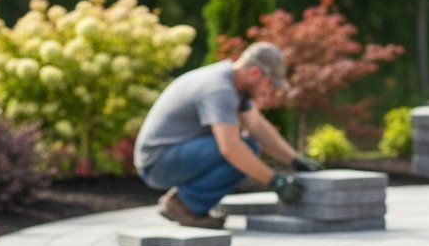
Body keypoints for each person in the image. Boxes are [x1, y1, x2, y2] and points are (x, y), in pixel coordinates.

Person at [134, 41, 321, 228]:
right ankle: (184, 204)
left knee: (249, 146)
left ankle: (185, 201)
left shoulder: (233, 83)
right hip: (157, 163)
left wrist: (294, 160)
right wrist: (274, 181)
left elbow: (257, 127)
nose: (269, 91)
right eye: (270, 84)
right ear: (255, 73)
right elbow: (230, 148)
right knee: (243, 150)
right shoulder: (220, 89)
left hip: (169, 156)